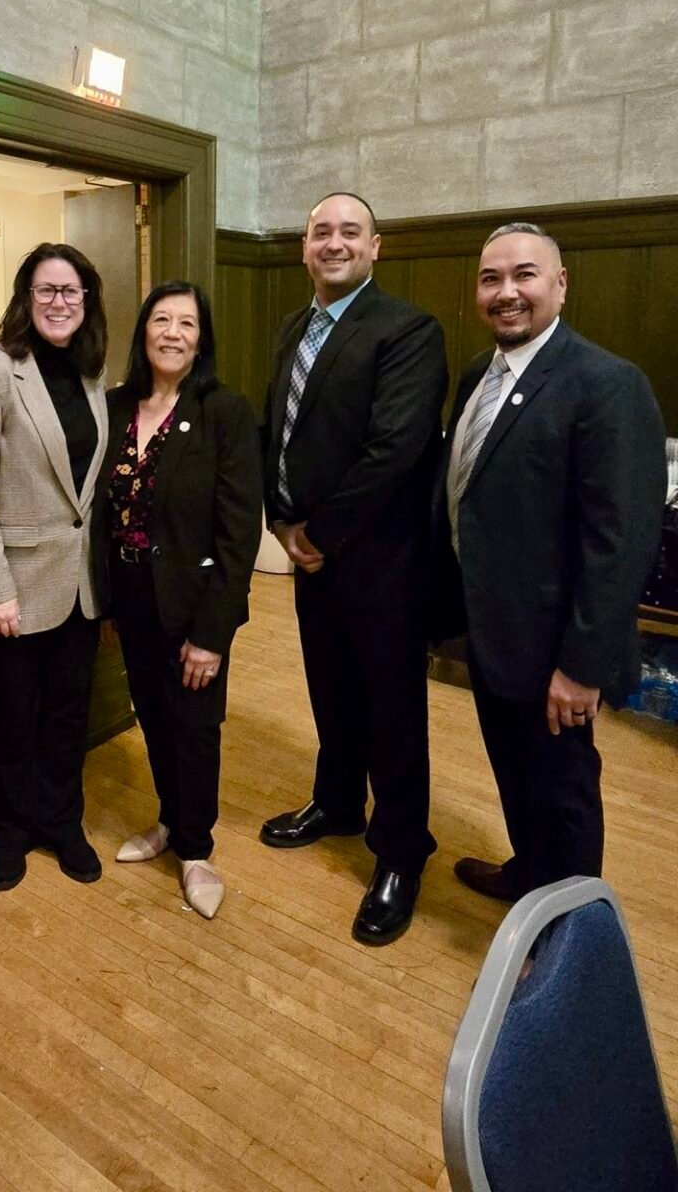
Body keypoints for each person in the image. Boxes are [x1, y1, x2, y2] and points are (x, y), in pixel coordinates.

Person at [434, 222, 666, 901]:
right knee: (515, 772)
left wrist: (581, 665)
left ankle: (569, 935)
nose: (506, 292)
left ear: (561, 285)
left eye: (524, 275)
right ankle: (531, 876)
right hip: (493, 631)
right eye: (490, 278)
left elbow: (620, 540)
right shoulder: (481, 372)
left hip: (557, 650)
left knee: (562, 793)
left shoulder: (606, 384)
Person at [258, 192, 447, 946]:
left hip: (379, 563)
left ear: (377, 246)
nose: (334, 243)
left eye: (349, 232)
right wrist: (279, 519)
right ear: (305, 247)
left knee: (391, 713)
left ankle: (401, 852)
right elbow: (281, 432)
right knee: (330, 690)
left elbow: (396, 448)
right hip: (312, 557)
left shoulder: (406, 330)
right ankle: (337, 804)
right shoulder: (293, 329)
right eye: (320, 232)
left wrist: (320, 533)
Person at [92, 282, 261, 919]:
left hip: (195, 603)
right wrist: (107, 600)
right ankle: (167, 821)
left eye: (186, 323)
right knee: (154, 717)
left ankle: (195, 848)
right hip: (132, 595)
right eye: (161, 320)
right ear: (142, 332)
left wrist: (213, 633)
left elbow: (239, 531)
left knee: (194, 726)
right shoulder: (113, 406)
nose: (172, 332)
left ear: (201, 338)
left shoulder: (225, 411)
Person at [0, 243, 108, 892]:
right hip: (11, 589)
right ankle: (12, 831)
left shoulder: (96, 374)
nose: (58, 303)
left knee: (68, 714)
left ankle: (61, 822)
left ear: (87, 301)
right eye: (45, 290)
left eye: (70, 291)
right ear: (24, 298)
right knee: (12, 718)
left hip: (80, 586)